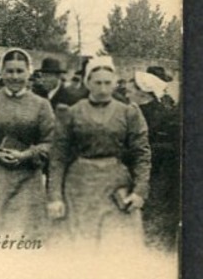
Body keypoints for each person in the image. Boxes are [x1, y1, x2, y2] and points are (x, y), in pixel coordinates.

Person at [47, 56, 151, 248]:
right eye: (97, 83)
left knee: (117, 246)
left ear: (114, 83)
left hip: (116, 186)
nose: (103, 89)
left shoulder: (129, 113)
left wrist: (139, 191)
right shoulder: (71, 113)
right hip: (79, 187)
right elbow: (58, 157)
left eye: (107, 83)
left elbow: (141, 154)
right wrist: (55, 196)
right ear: (88, 83)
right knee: (80, 246)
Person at [0, 48, 55, 239]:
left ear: (28, 72)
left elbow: (51, 142)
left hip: (27, 179)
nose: (14, 77)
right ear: (2, 73)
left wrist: (27, 155)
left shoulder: (41, 105)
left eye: (20, 71)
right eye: (10, 71)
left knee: (22, 238)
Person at [128, 70, 180, 252]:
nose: (127, 90)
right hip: (140, 178)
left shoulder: (160, 117)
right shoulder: (134, 111)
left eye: (131, 87)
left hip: (156, 181)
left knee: (151, 228)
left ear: (142, 92)